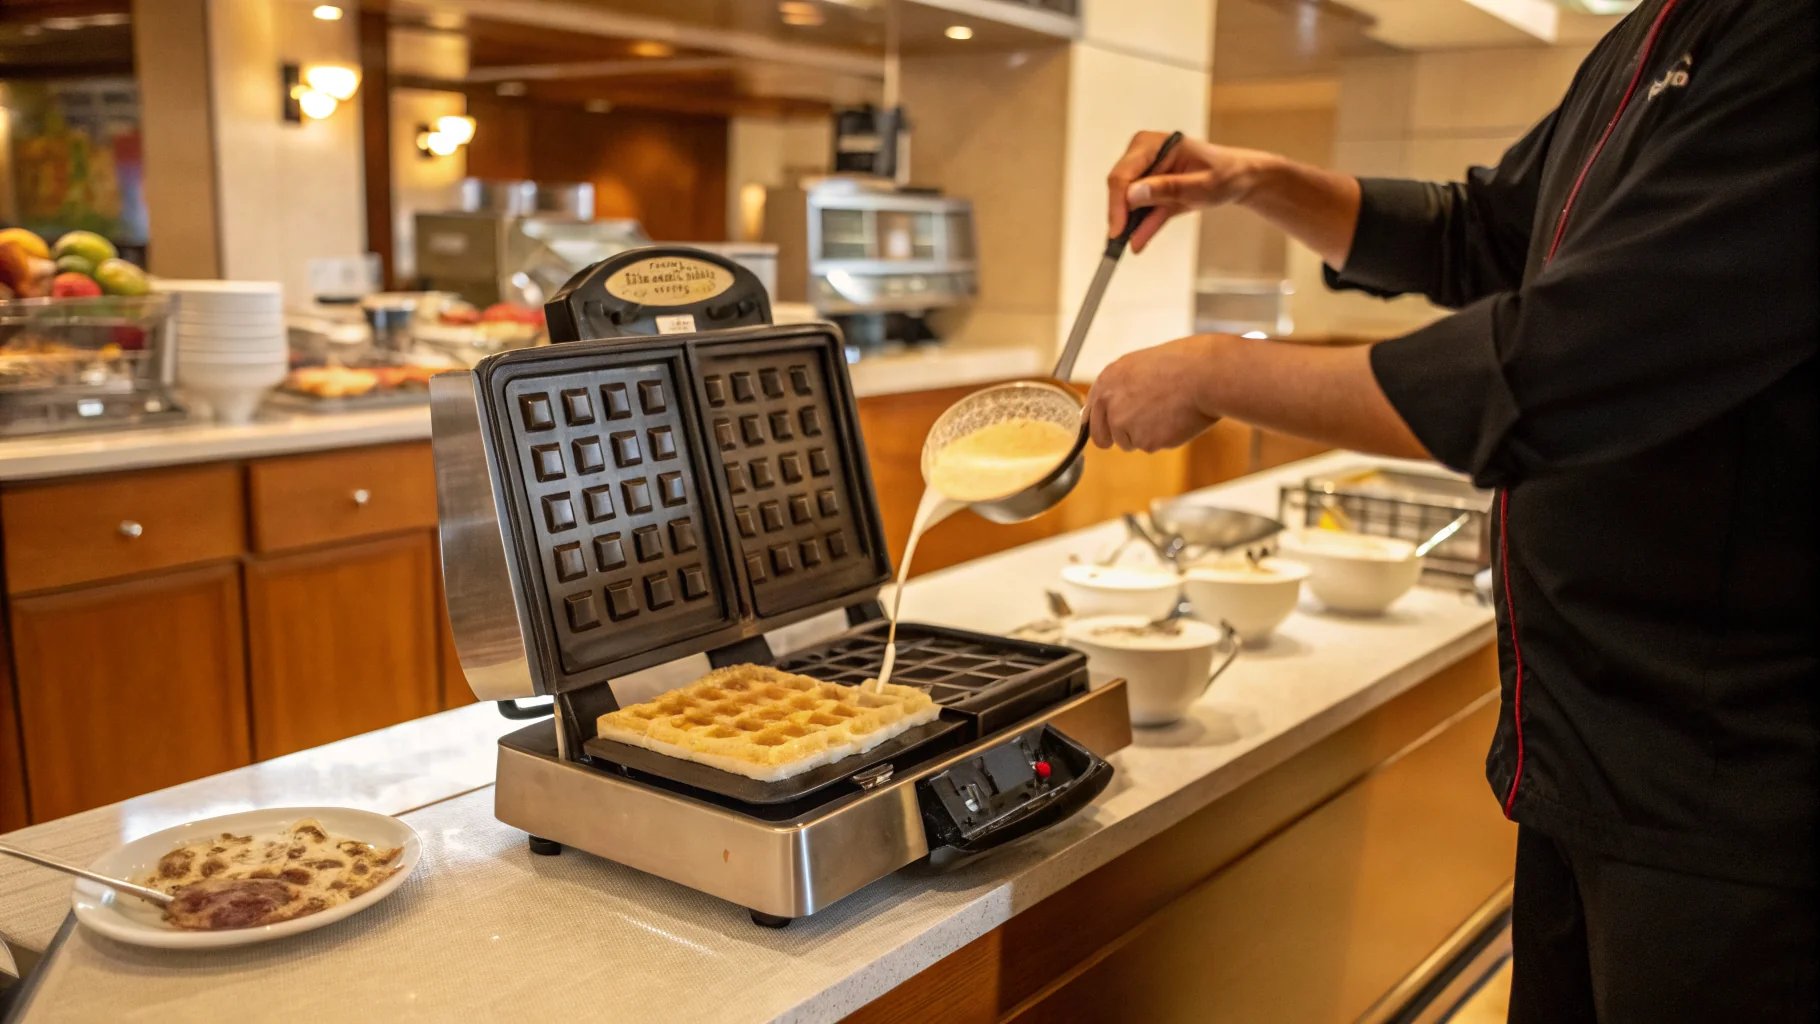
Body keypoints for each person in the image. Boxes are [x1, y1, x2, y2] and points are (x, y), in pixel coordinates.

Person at [1086, 0, 1817, 1020]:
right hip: (1581, 750)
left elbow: (1559, 365)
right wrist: (1256, 180)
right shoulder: (1645, 37)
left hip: (1726, 789)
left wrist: (1225, 372)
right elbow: (1479, 233)